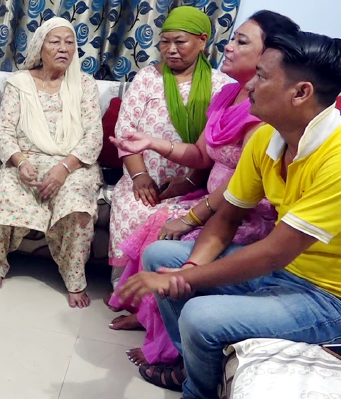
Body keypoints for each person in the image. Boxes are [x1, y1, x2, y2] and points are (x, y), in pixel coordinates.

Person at [119, 30, 341, 399]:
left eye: (262, 77)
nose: (249, 85)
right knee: (160, 255)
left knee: (199, 316)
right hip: (282, 273)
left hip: (327, 297)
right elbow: (226, 216)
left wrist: (186, 277)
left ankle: (196, 390)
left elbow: (274, 252)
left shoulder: (335, 158)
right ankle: (192, 366)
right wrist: (190, 270)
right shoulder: (266, 138)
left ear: (301, 93)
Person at [107, 11, 297, 373]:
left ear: (270, 55)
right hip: (214, 203)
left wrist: (193, 215)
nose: (229, 46)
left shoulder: (266, 107)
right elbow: (200, 154)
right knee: (158, 222)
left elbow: (244, 185)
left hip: (241, 213)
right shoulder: (228, 94)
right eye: (233, 38)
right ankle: (152, 316)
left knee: (164, 229)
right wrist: (151, 143)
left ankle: (170, 343)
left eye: (241, 41)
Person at [0, 17, 103, 308]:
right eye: (55, 42)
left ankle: (74, 278)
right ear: (40, 47)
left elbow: (93, 136)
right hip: (27, 160)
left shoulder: (84, 84)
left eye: (69, 42)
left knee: (77, 205)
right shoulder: (19, 83)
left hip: (73, 164)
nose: (63, 48)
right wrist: (20, 162)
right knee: (6, 193)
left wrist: (63, 169)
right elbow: (4, 131)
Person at [108, 6, 232, 284]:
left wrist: (188, 182)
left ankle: (156, 291)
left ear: (202, 41)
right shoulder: (147, 78)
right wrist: (140, 177)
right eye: (165, 41)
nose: (171, 49)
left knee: (171, 220)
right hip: (142, 178)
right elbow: (125, 132)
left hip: (193, 184)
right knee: (134, 208)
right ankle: (124, 287)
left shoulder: (221, 86)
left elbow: (215, 147)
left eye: (180, 42)